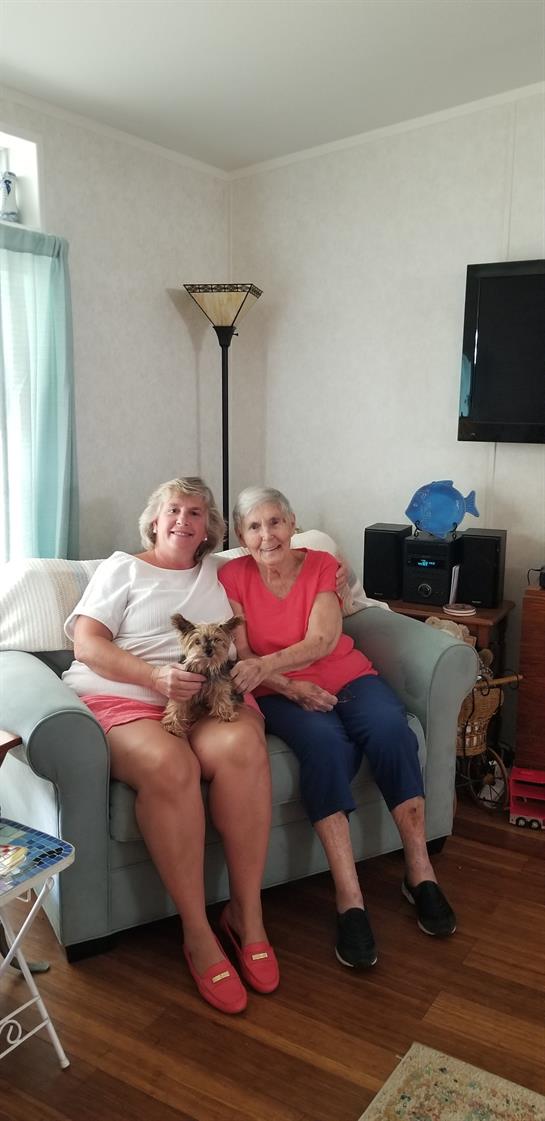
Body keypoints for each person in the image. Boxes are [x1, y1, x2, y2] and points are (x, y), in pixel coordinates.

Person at [62, 477, 279, 1014]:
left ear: (210, 529)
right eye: (174, 510)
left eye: (197, 513)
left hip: (208, 695)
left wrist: (334, 579)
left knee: (243, 749)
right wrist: (155, 678)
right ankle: (198, 933)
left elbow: (272, 574)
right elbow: (86, 642)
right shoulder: (122, 568)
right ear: (155, 520)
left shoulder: (218, 572)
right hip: (126, 696)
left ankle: (246, 915)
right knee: (170, 764)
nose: (184, 520)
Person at [218, 486, 456, 971]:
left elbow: (324, 639)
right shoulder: (231, 576)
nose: (268, 535)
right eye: (255, 527)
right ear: (242, 538)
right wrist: (285, 685)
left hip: (346, 674)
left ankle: (420, 871)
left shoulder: (322, 564)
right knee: (325, 745)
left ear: (292, 522)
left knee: (392, 729)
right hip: (277, 693)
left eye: (276, 522)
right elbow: (241, 657)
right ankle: (350, 897)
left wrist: (267, 666)